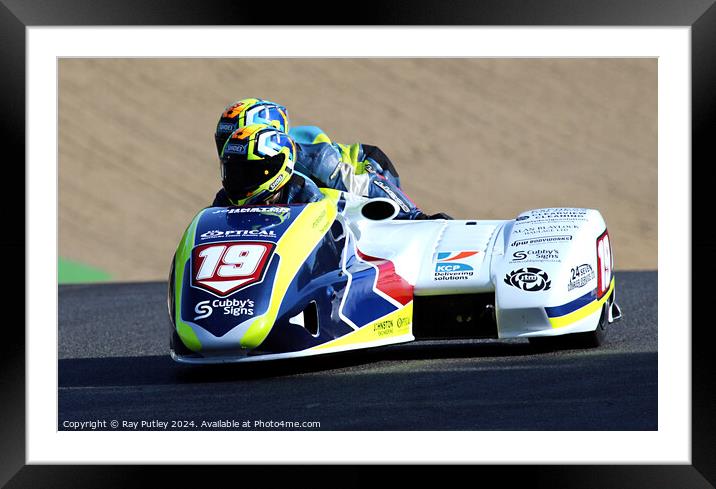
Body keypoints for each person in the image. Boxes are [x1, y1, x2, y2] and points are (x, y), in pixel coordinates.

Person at [213, 124, 441, 220]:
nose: (237, 179)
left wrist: (416, 217)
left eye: (248, 171)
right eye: (232, 170)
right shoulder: (224, 199)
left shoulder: (316, 168)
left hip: (365, 169)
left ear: (274, 167)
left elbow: (368, 187)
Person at [214, 98, 403, 193]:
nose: (234, 143)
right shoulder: (245, 172)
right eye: (224, 140)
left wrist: (416, 216)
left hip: (369, 171)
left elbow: (361, 188)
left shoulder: (312, 159)